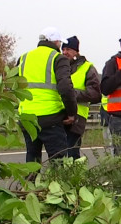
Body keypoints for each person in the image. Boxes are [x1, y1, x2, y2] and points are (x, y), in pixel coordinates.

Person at [17, 27, 77, 162]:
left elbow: (13, 85)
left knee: (32, 160)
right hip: (51, 118)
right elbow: (66, 88)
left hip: (27, 117)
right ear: (56, 42)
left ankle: (29, 183)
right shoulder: (58, 58)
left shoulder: (23, 58)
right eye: (60, 43)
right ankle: (57, 183)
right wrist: (71, 113)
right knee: (58, 162)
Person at [62, 36, 101, 159]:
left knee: (72, 153)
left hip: (77, 118)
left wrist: (72, 93)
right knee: (59, 155)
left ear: (76, 51)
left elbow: (95, 94)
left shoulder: (88, 68)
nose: (65, 52)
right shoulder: (60, 67)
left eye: (68, 49)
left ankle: (75, 177)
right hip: (58, 115)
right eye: (63, 49)